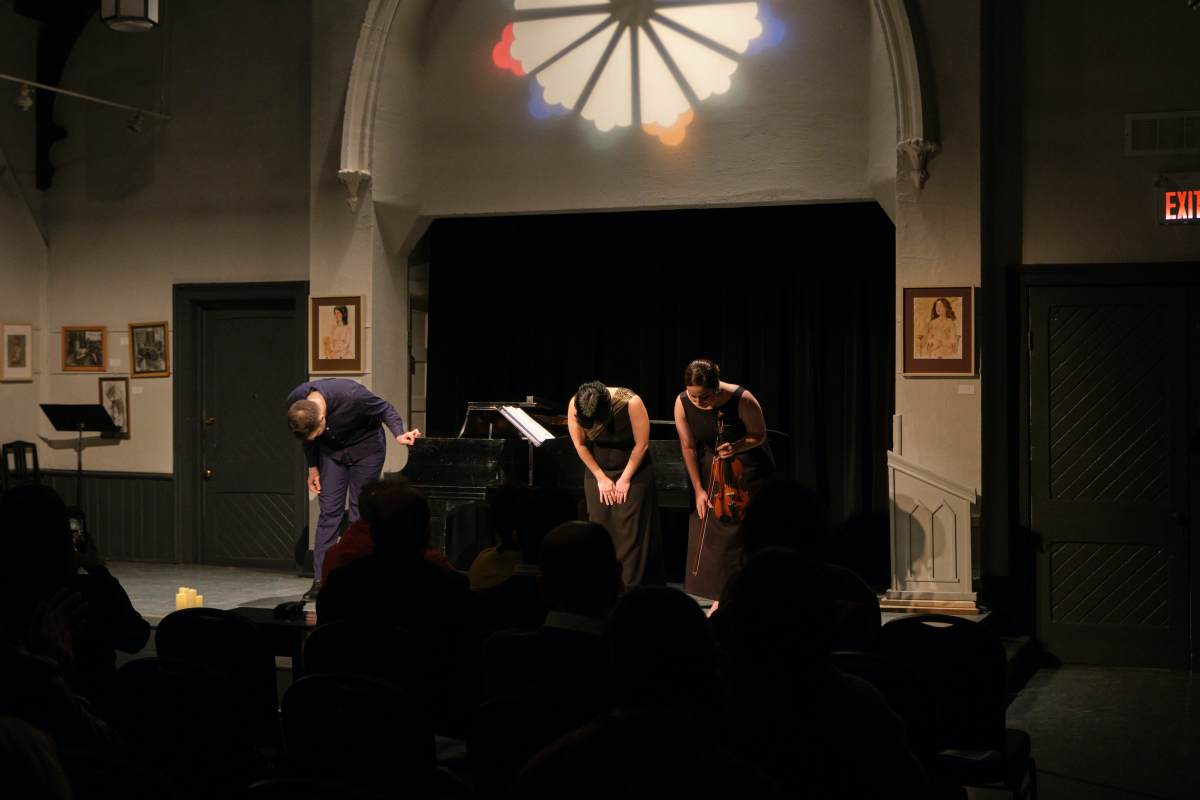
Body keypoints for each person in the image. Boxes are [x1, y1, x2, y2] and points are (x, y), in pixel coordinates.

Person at [286, 378, 421, 600]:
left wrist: (398, 433)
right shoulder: (297, 403)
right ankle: (321, 579)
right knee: (329, 511)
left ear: (322, 417)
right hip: (332, 452)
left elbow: (385, 408)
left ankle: (360, 575)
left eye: (318, 431)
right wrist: (312, 468)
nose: (314, 437)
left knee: (361, 512)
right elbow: (308, 440)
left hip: (366, 449)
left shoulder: (351, 394)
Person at [673, 359, 774, 600]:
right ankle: (719, 596)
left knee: (742, 535)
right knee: (711, 533)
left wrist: (736, 446)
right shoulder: (682, 402)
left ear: (717, 386)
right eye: (693, 396)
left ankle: (747, 595)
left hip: (747, 469)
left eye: (705, 397)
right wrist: (697, 488)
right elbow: (688, 447)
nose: (699, 402)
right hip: (712, 469)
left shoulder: (742, 398)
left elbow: (759, 435)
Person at [566, 380, 662, 587]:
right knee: (599, 530)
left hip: (634, 471)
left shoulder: (631, 402)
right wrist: (601, 477)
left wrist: (625, 479)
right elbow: (580, 444)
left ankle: (630, 590)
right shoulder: (575, 403)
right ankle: (603, 587)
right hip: (598, 471)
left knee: (630, 534)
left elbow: (642, 444)